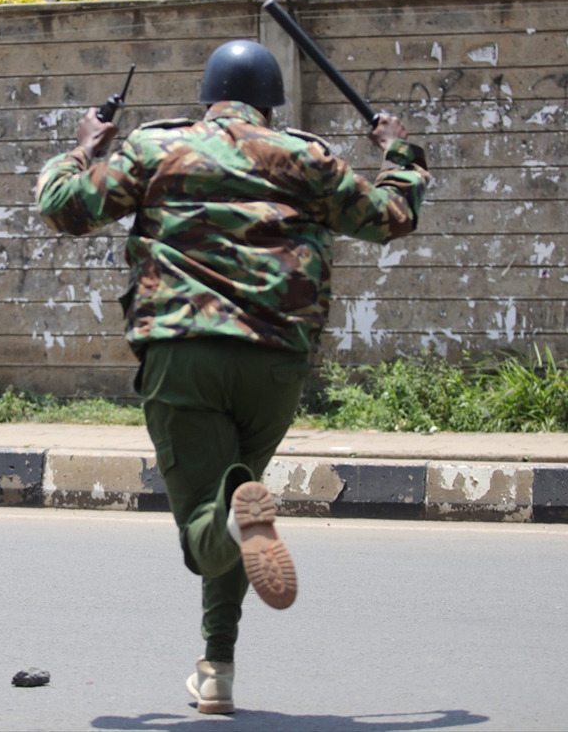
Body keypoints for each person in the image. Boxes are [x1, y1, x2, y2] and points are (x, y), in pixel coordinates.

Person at [35, 41, 429, 713]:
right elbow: (394, 217)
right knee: (237, 499)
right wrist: (399, 152)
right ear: (271, 102)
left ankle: (237, 541)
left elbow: (61, 206)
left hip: (184, 352)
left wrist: (85, 147)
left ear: (205, 95)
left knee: (207, 526)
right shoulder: (307, 156)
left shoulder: (157, 148)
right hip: (276, 361)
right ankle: (216, 670)